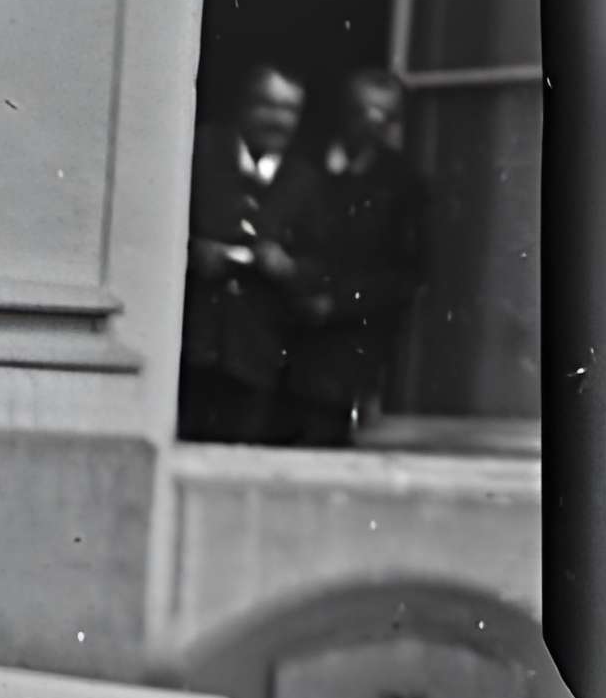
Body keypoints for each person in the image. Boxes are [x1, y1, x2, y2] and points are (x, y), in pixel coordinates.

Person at [272, 65, 431, 449]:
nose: (372, 124)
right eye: (363, 111)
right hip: (277, 334)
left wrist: (338, 304)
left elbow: (408, 274)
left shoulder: (403, 184)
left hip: (345, 349)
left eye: (385, 115)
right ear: (345, 111)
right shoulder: (303, 162)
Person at [178, 63, 309, 444]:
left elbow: (325, 267)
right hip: (190, 349)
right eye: (268, 105)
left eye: (290, 110)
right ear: (244, 104)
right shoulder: (199, 150)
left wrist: (287, 268)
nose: (278, 119)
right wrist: (191, 253)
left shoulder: (307, 180)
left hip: (258, 359)